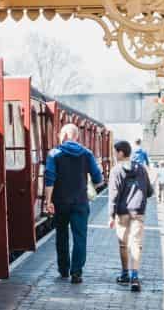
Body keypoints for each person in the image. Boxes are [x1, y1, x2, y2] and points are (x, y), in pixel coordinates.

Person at [44, 123, 105, 283]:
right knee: (80, 237)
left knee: (61, 235)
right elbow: (99, 181)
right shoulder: (87, 153)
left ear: (64, 135)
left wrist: (48, 201)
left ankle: (63, 269)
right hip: (80, 202)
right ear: (76, 136)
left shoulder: (54, 154)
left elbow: (49, 179)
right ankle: (76, 272)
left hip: (60, 203)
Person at [107, 141, 154, 292]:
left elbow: (113, 195)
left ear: (121, 153)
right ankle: (135, 277)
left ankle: (125, 274)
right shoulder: (140, 168)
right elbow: (150, 191)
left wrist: (111, 215)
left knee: (123, 244)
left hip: (122, 212)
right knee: (136, 243)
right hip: (138, 211)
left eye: (115, 152)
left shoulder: (116, 170)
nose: (114, 155)